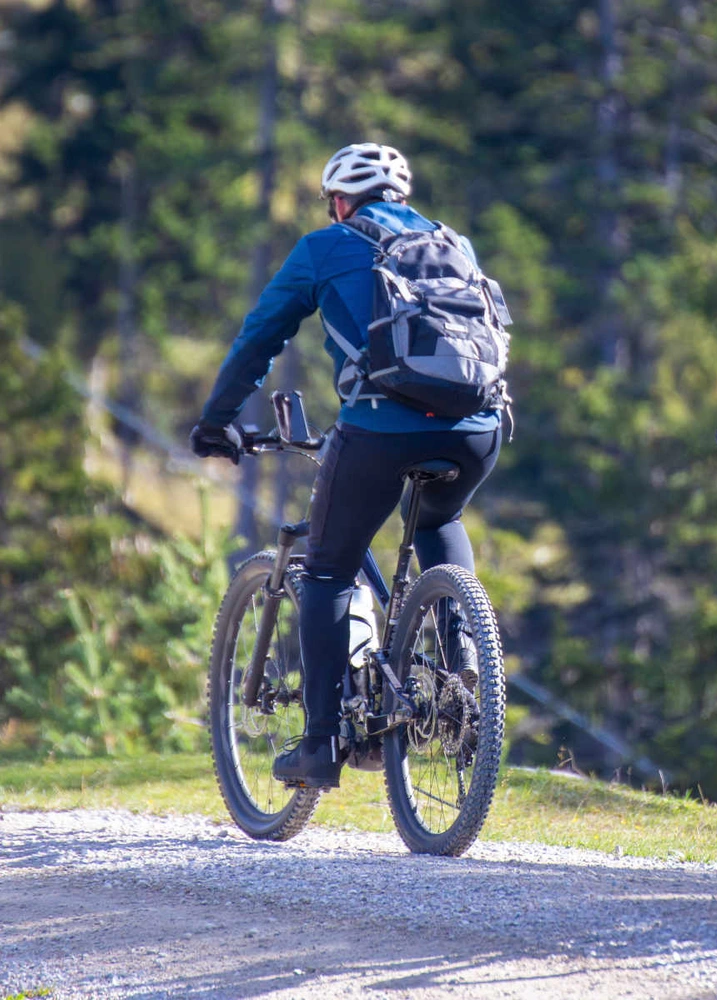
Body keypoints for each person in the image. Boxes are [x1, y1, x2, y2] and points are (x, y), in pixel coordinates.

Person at [190, 142, 502, 788]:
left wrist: (217, 420)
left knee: (329, 570)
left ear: (339, 201)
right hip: (479, 429)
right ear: (402, 198)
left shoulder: (323, 247)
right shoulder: (454, 245)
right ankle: (462, 666)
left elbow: (261, 337)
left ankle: (320, 744)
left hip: (381, 430)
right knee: (441, 516)